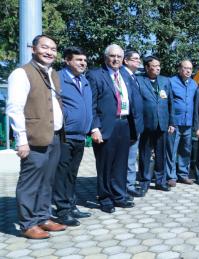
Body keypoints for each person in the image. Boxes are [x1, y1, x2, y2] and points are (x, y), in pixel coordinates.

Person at [6, 34, 67, 239]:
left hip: (55, 136)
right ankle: (27, 224)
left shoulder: (54, 73)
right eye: (44, 47)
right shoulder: (21, 73)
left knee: (47, 181)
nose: (49, 52)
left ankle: (43, 217)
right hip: (34, 138)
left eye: (53, 49)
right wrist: (21, 140)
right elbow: (15, 108)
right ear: (33, 49)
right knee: (30, 183)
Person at [87, 44, 140, 213]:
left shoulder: (125, 75)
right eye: (112, 56)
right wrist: (94, 128)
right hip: (105, 127)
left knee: (121, 164)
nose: (115, 59)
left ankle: (119, 196)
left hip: (124, 124)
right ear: (105, 57)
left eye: (118, 56)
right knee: (105, 165)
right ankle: (105, 198)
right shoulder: (95, 75)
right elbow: (91, 104)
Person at [52, 46, 93, 226]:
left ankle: (71, 205)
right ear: (68, 61)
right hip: (64, 135)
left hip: (80, 135)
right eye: (78, 60)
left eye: (84, 60)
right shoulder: (58, 78)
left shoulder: (84, 80)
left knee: (72, 174)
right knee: (61, 174)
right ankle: (62, 211)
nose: (83, 63)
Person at [136, 56, 174, 193]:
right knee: (145, 154)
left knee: (161, 154)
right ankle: (145, 181)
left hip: (162, 123)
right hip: (146, 124)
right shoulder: (139, 80)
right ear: (147, 67)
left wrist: (172, 122)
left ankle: (160, 181)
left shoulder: (165, 81)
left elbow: (170, 103)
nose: (158, 68)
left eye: (159, 65)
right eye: (154, 65)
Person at [165, 60, 198, 186]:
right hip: (174, 123)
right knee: (172, 150)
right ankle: (171, 176)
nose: (188, 71)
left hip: (188, 123)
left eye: (190, 68)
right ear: (179, 69)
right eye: (185, 68)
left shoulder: (194, 84)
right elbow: (167, 102)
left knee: (186, 150)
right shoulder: (171, 82)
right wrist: (170, 122)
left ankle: (183, 174)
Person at [123, 50, 145, 198]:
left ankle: (129, 184)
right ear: (126, 60)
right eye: (135, 59)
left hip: (136, 125)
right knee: (127, 158)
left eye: (139, 59)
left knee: (131, 157)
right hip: (127, 125)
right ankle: (126, 186)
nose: (138, 61)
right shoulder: (123, 76)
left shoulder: (133, 76)